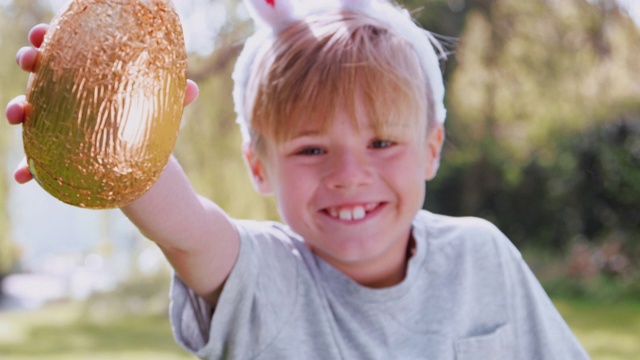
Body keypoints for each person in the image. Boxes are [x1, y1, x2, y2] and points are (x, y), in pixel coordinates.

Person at [6, 0, 589, 359]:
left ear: (431, 150)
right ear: (259, 165)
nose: (349, 175)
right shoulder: (264, 278)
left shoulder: (480, 257)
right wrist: (114, 122)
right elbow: (187, 231)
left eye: (382, 142)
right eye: (312, 149)